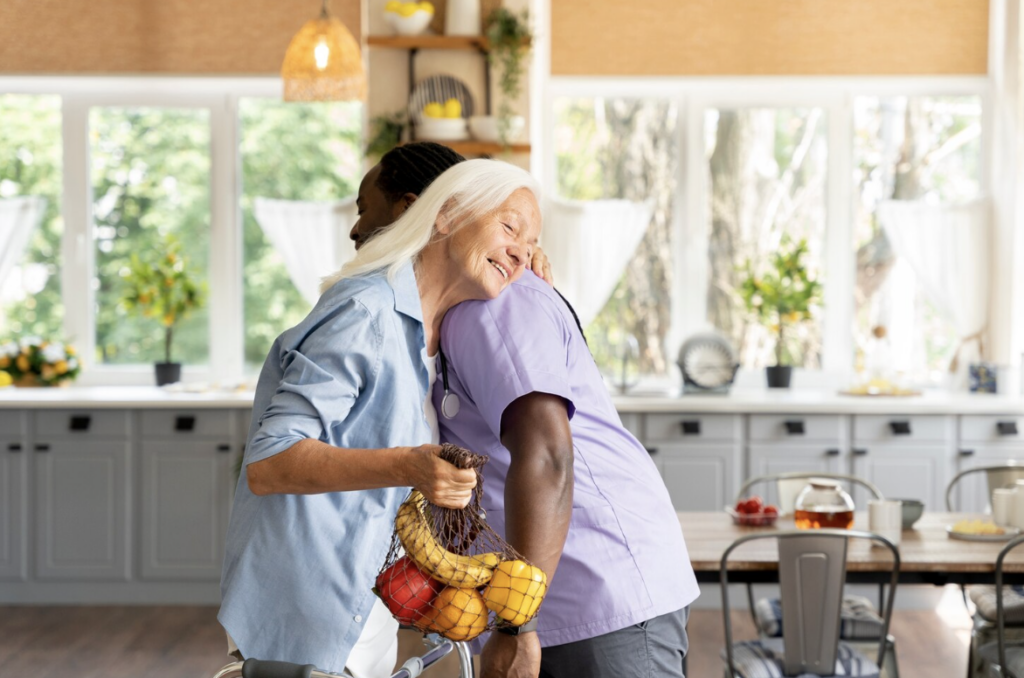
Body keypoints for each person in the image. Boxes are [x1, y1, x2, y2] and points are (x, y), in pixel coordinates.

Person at [348, 143, 697, 677]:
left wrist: (516, 624)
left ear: (413, 210)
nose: (354, 229)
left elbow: (548, 454)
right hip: (554, 593)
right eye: (510, 232)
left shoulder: (489, 301)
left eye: (362, 207)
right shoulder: (440, 310)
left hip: (594, 587)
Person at [218, 157, 542, 678]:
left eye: (531, 245)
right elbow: (270, 461)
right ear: (445, 215)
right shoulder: (365, 311)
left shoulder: (437, 333)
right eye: (510, 227)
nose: (521, 253)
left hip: (363, 611)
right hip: (309, 611)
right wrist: (407, 466)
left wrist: (519, 263)